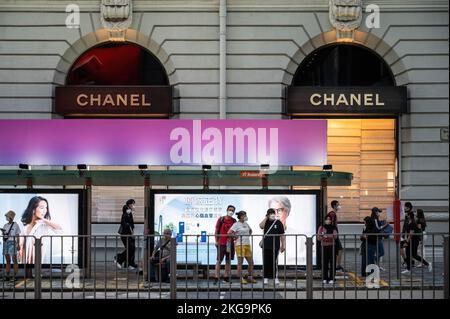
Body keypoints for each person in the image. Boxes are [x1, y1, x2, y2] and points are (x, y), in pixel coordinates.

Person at [19, 196, 62, 278]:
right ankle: (28, 277)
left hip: (38, 252)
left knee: (36, 268)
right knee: (26, 268)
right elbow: (19, 235)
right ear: (33, 209)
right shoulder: (22, 221)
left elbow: (59, 230)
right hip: (24, 252)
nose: (45, 210)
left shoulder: (44, 223)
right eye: (42, 208)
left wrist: (44, 220)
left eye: (46, 208)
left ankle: (35, 280)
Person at [228, 211, 257, 284]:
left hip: (247, 244)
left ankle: (250, 277)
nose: (246, 216)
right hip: (239, 245)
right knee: (240, 263)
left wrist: (247, 236)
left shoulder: (246, 223)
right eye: (245, 215)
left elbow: (250, 230)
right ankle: (241, 278)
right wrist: (235, 236)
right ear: (241, 216)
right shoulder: (236, 224)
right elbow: (229, 232)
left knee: (251, 262)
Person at [259, 208, 285, 285]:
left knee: (275, 262)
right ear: (268, 214)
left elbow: (282, 235)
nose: (272, 215)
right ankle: (265, 277)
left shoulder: (278, 222)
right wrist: (266, 218)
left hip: (275, 245)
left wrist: (283, 245)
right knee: (266, 261)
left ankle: (275, 277)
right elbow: (261, 226)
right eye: (270, 214)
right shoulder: (266, 222)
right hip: (266, 245)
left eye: (273, 213)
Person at [402, 210, 432, 275]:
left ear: (409, 215)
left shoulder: (413, 222)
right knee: (408, 254)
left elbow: (411, 233)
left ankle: (427, 264)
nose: (406, 214)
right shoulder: (408, 221)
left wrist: (407, 241)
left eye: (407, 214)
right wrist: (406, 239)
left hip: (414, 241)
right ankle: (408, 269)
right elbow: (407, 231)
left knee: (414, 255)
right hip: (410, 240)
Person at [214, 205, 236, 284]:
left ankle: (226, 277)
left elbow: (235, 232)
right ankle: (216, 277)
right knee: (219, 260)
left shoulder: (234, 221)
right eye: (230, 210)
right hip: (221, 243)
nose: (231, 211)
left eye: (232, 210)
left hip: (230, 244)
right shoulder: (221, 219)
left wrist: (233, 237)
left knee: (228, 261)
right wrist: (216, 241)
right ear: (227, 210)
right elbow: (216, 231)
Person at [115, 199, 138, 270]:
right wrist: (131, 232)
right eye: (132, 204)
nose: (133, 206)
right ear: (129, 205)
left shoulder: (129, 213)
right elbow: (127, 224)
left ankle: (129, 263)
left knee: (132, 248)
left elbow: (131, 224)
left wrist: (132, 233)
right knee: (130, 248)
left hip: (129, 234)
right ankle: (119, 258)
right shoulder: (126, 213)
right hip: (126, 234)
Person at [317, 215, 338, 284]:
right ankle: (324, 278)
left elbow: (335, 236)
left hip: (332, 247)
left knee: (332, 263)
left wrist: (325, 236)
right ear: (324, 220)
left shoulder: (334, 227)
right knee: (324, 262)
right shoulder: (321, 227)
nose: (328, 221)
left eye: (329, 219)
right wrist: (327, 236)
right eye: (327, 219)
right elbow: (319, 237)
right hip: (323, 247)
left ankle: (332, 278)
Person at [1, 211, 21, 281]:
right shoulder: (5, 225)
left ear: (10, 217)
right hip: (6, 242)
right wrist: (4, 233)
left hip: (13, 242)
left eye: (7, 216)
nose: (6, 217)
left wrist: (18, 244)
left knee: (14, 259)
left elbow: (18, 235)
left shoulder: (16, 225)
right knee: (8, 260)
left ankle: (15, 275)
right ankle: (7, 275)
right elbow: (4, 236)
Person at [326, 200, 344, 271]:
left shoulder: (332, 214)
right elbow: (332, 224)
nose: (339, 206)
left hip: (333, 235)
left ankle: (336, 265)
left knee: (337, 250)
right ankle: (337, 265)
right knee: (339, 249)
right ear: (334, 206)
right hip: (333, 235)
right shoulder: (332, 214)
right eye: (338, 205)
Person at [370, 207, 388, 271]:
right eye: (378, 212)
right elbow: (377, 228)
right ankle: (374, 259)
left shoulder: (375, 219)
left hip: (377, 237)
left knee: (378, 252)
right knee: (382, 252)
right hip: (377, 238)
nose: (379, 213)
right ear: (375, 212)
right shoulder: (374, 219)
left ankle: (378, 266)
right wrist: (385, 225)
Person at [400, 202, 414, 267]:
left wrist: (406, 236)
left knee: (407, 250)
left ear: (408, 207)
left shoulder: (410, 215)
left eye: (405, 207)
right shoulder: (406, 214)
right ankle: (407, 262)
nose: (404, 208)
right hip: (404, 234)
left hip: (406, 235)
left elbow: (409, 227)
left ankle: (408, 263)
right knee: (402, 249)